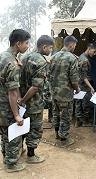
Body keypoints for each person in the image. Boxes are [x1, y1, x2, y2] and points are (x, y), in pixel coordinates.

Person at [19, 35, 54, 163]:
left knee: (22, 127)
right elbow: (35, 87)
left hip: (22, 102)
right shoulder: (40, 61)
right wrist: (23, 100)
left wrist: (21, 100)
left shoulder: (24, 57)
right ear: (44, 47)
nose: (50, 50)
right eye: (50, 48)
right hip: (33, 103)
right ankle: (31, 155)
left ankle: (20, 149)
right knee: (35, 129)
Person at [0, 29, 30, 172]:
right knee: (13, 132)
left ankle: (7, 158)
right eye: (26, 43)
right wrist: (17, 114)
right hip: (6, 104)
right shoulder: (11, 62)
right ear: (18, 44)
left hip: (1, 103)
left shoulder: (3, 56)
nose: (28, 46)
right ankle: (11, 164)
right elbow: (12, 92)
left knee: (4, 132)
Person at [50, 35, 80, 146]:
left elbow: (49, 74)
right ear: (71, 44)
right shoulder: (72, 58)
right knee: (66, 115)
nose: (75, 48)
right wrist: (77, 89)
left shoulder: (54, 56)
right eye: (75, 45)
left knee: (56, 113)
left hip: (54, 92)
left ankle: (57, 134)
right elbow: (74, 78)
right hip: (66, 93)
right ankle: (64, 139)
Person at [75, 43, 96, 127]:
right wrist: (91, 87)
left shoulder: (81, 56)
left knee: (78, 102)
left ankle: (78, 121)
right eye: (94, 52)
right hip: (83, 85)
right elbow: (84, 77)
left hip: (78, 84)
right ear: (89, 49)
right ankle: (85, 122)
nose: (94, 54)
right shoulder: (84, 60)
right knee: (85, 103)